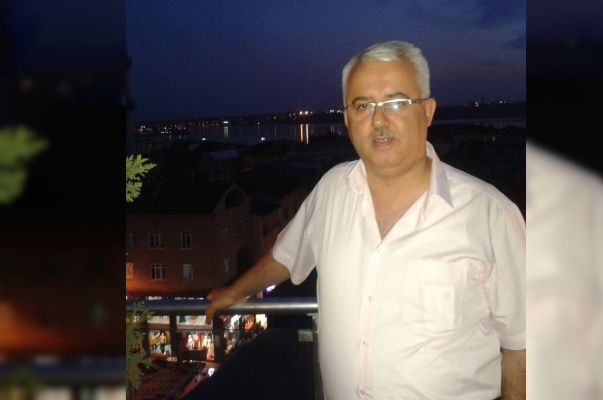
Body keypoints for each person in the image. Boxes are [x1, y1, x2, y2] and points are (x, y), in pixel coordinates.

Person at [205, 40, 525, 399]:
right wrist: (235, 291)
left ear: (428, 111)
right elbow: (286, 255)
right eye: (363, 106)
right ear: (346, 119)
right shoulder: (331, 191)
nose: (379, 120)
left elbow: (522, 345)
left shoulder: (490, 216)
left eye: (396, 102)